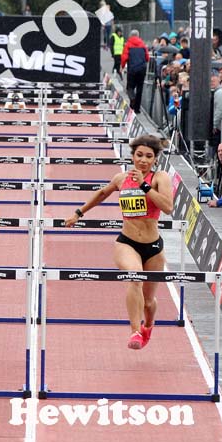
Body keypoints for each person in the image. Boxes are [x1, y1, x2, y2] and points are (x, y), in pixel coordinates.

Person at [65, 135, 173, 349]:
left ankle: (148, 326)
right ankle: (134, 331)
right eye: (139, 155)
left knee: (149, 301)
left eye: (148, 157)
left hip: (153, 247)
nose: (143, 160)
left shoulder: (160, 178)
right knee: (134, 277)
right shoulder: (121, 179)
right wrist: (79, 213)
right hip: (127, 242)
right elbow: (102, 194)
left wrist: (144, 185)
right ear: (132, 156)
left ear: (155, 160)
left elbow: (168, 207)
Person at [120, 29, 150, 113]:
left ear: (130, 36)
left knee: (130, 87)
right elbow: (147, 57)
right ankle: (137, 109)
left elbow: (124, 57)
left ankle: (132, 99)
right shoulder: (143, 44)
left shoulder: (128, 44)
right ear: (138, 35)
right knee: (139, 89)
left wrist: (122, 66)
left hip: (132, 69)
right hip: (142, 69)